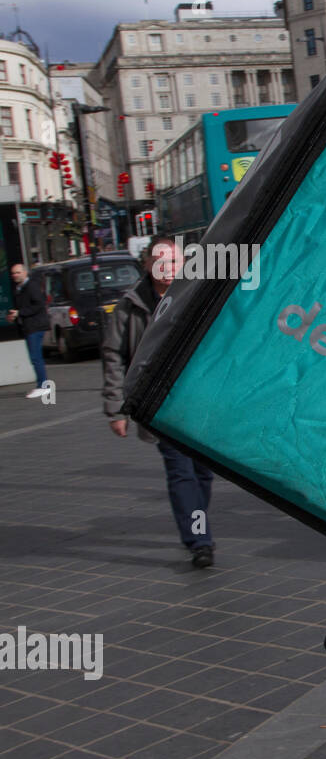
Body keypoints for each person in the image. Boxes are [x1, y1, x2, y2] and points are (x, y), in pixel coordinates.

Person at [102, 238, 217, 569]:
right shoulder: (130, 305)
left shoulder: (200, 292)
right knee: (181, 472)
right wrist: (116, 408)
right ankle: (199, 540)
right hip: (159, 404)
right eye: (161, 261)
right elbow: (113, 355)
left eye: (175, 261)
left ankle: (196, 521)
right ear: (148, 265)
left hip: (198, 400)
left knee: (202, 473)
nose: (169, 268)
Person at [6, 263, 52, 399]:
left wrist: (20, 313)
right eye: (13, 273)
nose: (15, 275)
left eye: (18, 272)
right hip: (29, 326)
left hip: (35, 326)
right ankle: (42, 385)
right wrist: (14, 315)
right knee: (35, 357)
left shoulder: (31, 286)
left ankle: (44, 386)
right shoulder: (19, 288)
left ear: (25, 273)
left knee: (36, 357)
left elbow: (39, 304)